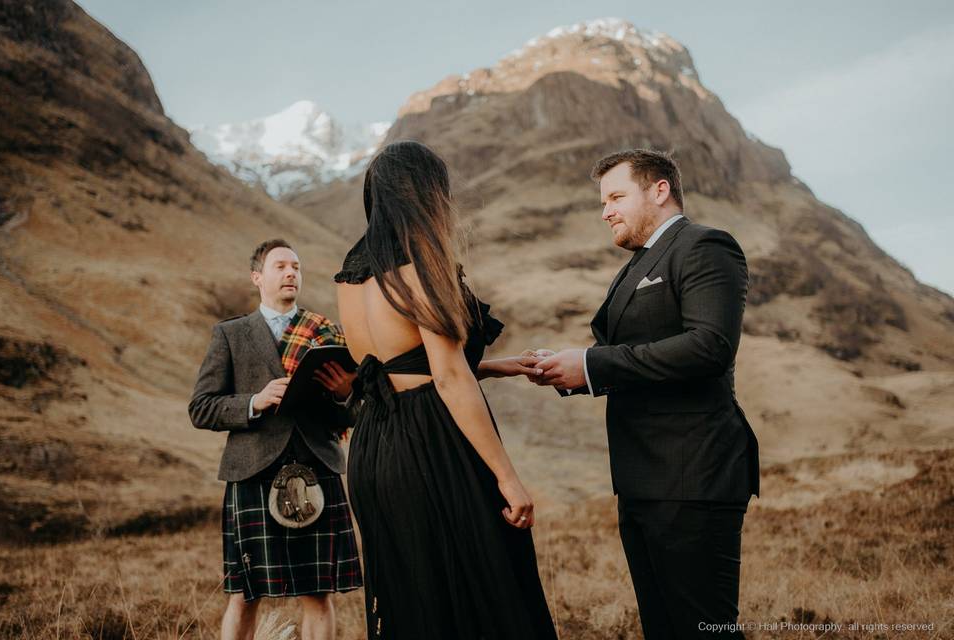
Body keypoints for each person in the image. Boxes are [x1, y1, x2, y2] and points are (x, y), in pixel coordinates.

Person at [334, 141, 557, 639]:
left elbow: (399, 364)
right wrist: (508, 477)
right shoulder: (422, 264)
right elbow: (448, 378)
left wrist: (500, 366)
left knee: (415, 593)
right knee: (482, 587)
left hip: (374, 448)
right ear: (426, 195)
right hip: (430, 445)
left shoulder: (351, 277)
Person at [533, 149, 760, 639]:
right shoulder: (636, 265)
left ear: (660, 190)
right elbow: (629, 351)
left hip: (694, 476)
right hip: (640, 479)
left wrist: (592, 364)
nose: (605, 211)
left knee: (704, 630)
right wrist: (565, 366)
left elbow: (710, 347)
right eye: (603, 201)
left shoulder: (705, 246)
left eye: (616, 196)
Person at [189, 239, 363, 640]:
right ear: (257, 277)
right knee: (244, 594)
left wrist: (343, 394)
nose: (291, 273)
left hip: (317, 468)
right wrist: (255, 401)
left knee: (318, 595)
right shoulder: (230, 335)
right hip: (252, 472)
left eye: (297, 267)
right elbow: (202, 407)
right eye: (280, 266)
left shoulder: (326, 334)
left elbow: (350, 414)